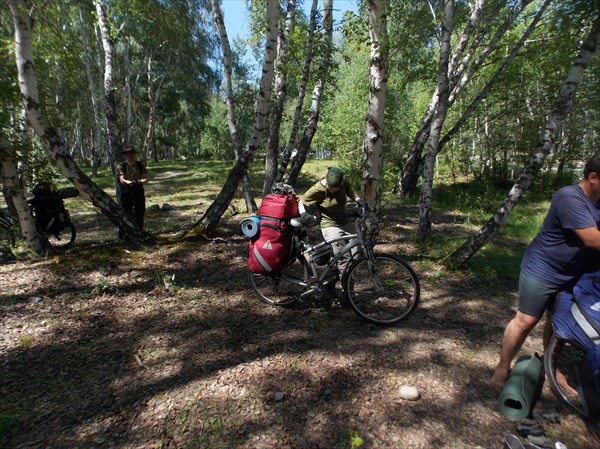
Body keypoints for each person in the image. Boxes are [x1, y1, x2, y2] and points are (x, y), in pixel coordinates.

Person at [491, 154, 600, 392]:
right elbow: (593, 239)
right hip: (543, 269)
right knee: (526, 321)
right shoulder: (569, 197)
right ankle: (502, 367)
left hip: (574, 273)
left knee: (558, 321)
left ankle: (552, 367)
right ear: (593, 177)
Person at [299, 167, 367, 278]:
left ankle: (329, 279)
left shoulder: (343, 182)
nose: (333, 190)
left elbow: (350, 192)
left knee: (356, 253)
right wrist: (303, 214)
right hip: (330, 225)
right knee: (344, 258)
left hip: (345, 221)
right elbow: (301, 200)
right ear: (327, 181)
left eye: (336, 188)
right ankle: (348, 286)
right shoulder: (318, 189)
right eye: (330, 187)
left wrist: (359, 200)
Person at [117, 146, 149, 237]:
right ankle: (124, 235)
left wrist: (138, 182)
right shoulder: (122, 166)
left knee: (140, 212)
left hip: (138, 191)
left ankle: (139, 233)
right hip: (126, 192)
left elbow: (146, 177)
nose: (131, 156)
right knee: (126, 213)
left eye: (133, 154)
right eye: (129, 154)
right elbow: (122, 180)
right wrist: (130, 182)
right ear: (125, 156)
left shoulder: (139, 165)